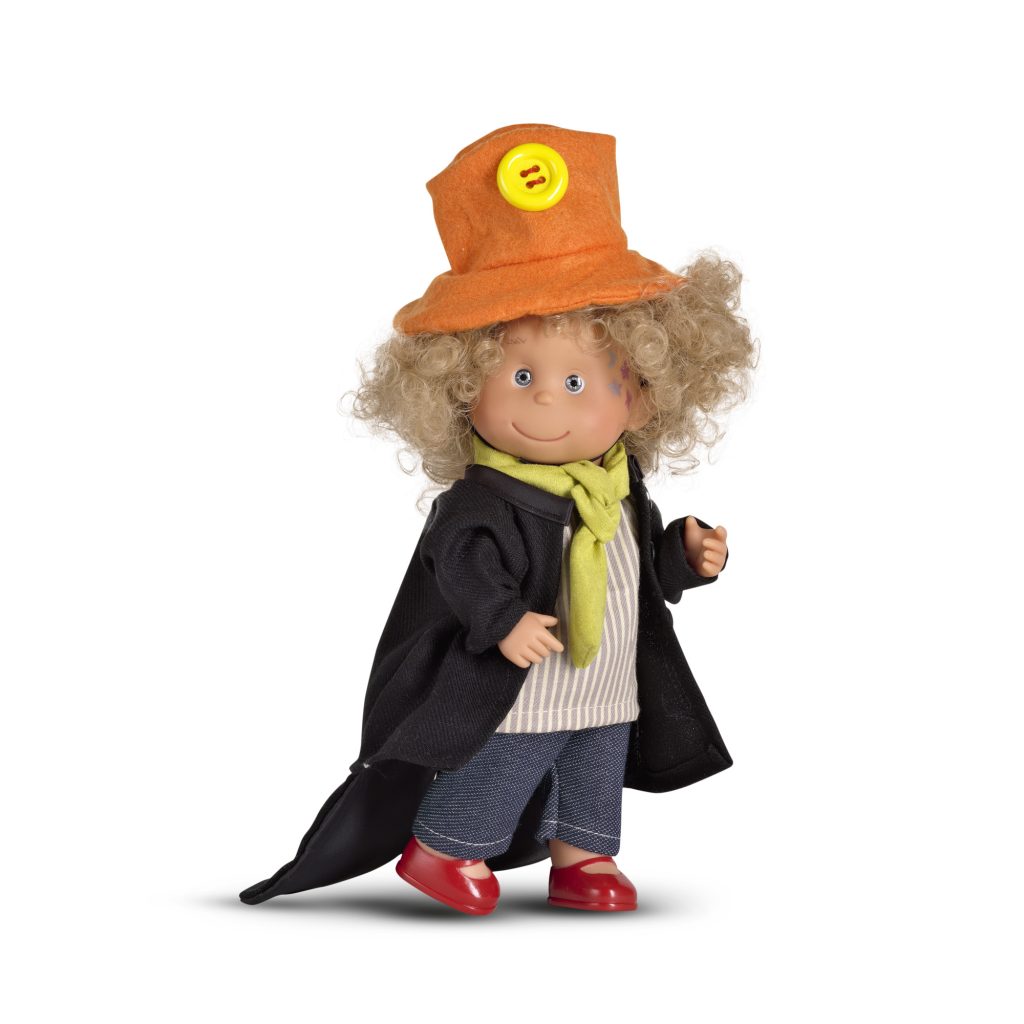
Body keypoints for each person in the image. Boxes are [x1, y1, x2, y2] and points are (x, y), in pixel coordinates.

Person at [239, 123, 757, 915]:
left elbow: (632, 573)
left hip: (607, 676)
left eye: (579, 382)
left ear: (642, 397)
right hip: (522, 678)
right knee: (516, 752)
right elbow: (462, 564)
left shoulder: (618, 486)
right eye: (519, 376)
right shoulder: (484, 500)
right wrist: (503, 619)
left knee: (596, 755)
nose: (547, 395)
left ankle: (584, 854)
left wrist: (681, 556)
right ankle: (445, 845)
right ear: (458, 389)